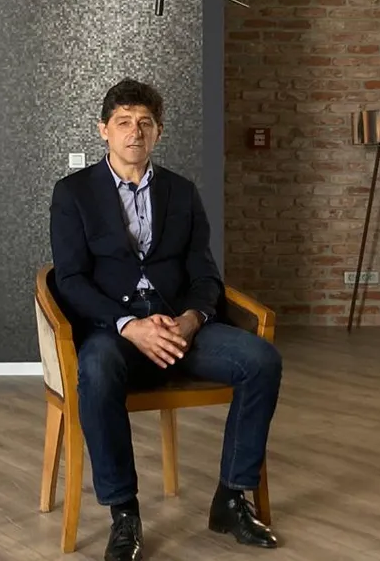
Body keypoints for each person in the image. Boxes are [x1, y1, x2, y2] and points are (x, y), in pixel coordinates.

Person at [49, 78, 283, 561]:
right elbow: (69, 280)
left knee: (261, 360)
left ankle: (231, 499)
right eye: (123, 122)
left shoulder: (182, 192)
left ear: (158, 131)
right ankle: (124, 514)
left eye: (145, 123)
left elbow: (205, 274)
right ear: (103, 130)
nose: (134, 132)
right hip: (114, 332)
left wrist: (192, 319)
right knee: (96, 370)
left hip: (179, 328)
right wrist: (128, 325)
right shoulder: (73, 193)